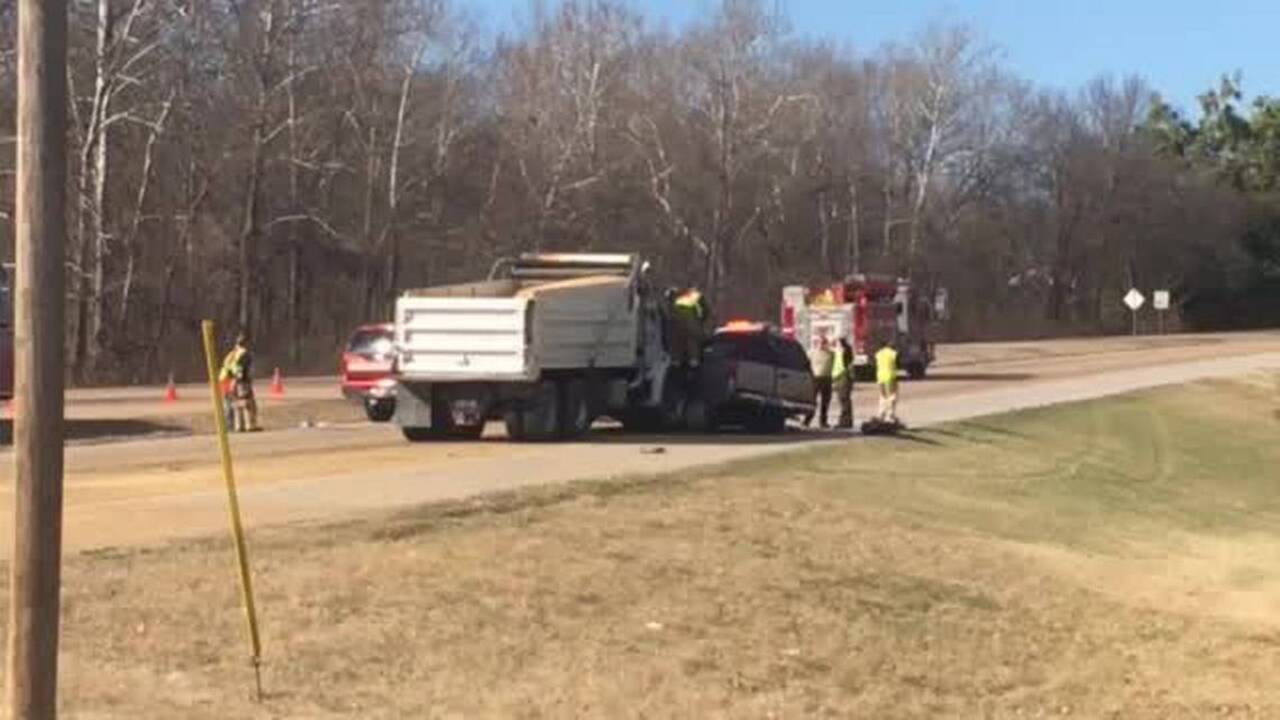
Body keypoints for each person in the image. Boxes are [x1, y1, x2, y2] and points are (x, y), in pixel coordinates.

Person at [219, 331, 261, 432]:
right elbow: (240, 368)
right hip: (238, 380)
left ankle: (238, 426)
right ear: (246, 343)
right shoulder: (244, 354)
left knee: (236, 403)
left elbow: (227, 366)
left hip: (225, 380)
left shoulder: (233, 353)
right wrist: (239, 379)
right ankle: (250, 425)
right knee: (247, 402)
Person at [671, 287, 707, 368]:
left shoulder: (678, 297)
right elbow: (704, 311)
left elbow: (671, 311)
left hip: (678, 323)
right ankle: (693, 360)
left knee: (679, 341)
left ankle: (677, 360)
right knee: (693, 340)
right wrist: (700, 320)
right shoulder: (696, 296)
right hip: (692, 322)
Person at [805, 335, 834, 428]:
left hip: (827, 379)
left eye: (824, 342)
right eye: (820, 342)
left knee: (825, 402)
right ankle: (807, 420)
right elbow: (806, 364)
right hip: (815, 379)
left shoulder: (831, 354)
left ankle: (823, 422)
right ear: (816, 343)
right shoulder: (811, 353)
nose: (821, 344)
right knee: (812, 401)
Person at [875, 338, 899, 423]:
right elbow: (897, 363)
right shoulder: (893, 353)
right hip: (890, 376)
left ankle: (881, 413)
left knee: (883, 396)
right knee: (892, 395)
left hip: (880, 376)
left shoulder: (878, 354)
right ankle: (890, 415)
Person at [834, 336, 854, 428]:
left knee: (844, 399)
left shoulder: (844, 352)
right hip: (840, 377)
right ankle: (846, 420)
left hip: (843, 377)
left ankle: (845, 421)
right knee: (843, 400)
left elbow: (845, 365)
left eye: (837, 343)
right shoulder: (842, 352)